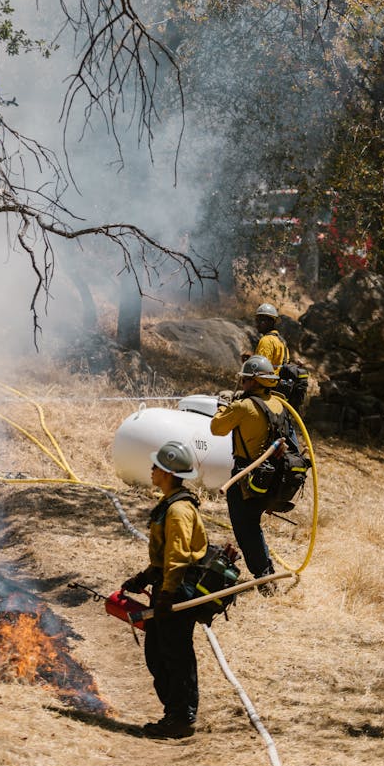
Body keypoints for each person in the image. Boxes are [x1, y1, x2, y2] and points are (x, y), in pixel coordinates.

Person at [121, 440, 208, 739]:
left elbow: (179, 556)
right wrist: (144, 578)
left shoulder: (179, 511)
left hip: (178, 589)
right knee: (158, 653)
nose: (152, 469)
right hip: (167, 585)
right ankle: (174, 713)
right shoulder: (170, 505)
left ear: (168, 473)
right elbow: (165, 555)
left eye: (156, 465)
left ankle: (182, 718)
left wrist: (168, 593)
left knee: (175, 654)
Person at [209, 354, 287, 590]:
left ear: (253, 381)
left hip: (247, 475)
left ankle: (264, 578)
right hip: (271, 474)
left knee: (246, 528)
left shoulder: (243, 406)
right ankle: (266, 571)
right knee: (252, 524)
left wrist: (223, 405)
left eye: (244, 380)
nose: (242, 384)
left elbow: (216, 428)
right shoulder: (277, 403)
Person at [241, 303, 290, 372]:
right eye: (257, 320)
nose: (257, 323)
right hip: (276, 381)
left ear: (271, 322)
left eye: (262, 320)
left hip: (266, 382)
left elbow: (259, 370)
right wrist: (251, 359)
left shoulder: (267, 340)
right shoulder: (281, 340)